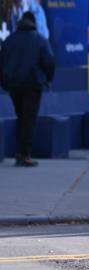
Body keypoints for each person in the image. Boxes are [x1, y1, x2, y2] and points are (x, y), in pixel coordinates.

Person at [0, 11, 54, 167]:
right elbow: (49, 62)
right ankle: (25, 155)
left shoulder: (9, 40)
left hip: (14, 86)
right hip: (32, 86)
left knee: (21, 117)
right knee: (29, 120)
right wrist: (47, 79)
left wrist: (4, 83)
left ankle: (19, 153)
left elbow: (2, 62)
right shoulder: (40, 40)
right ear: (34, 23)